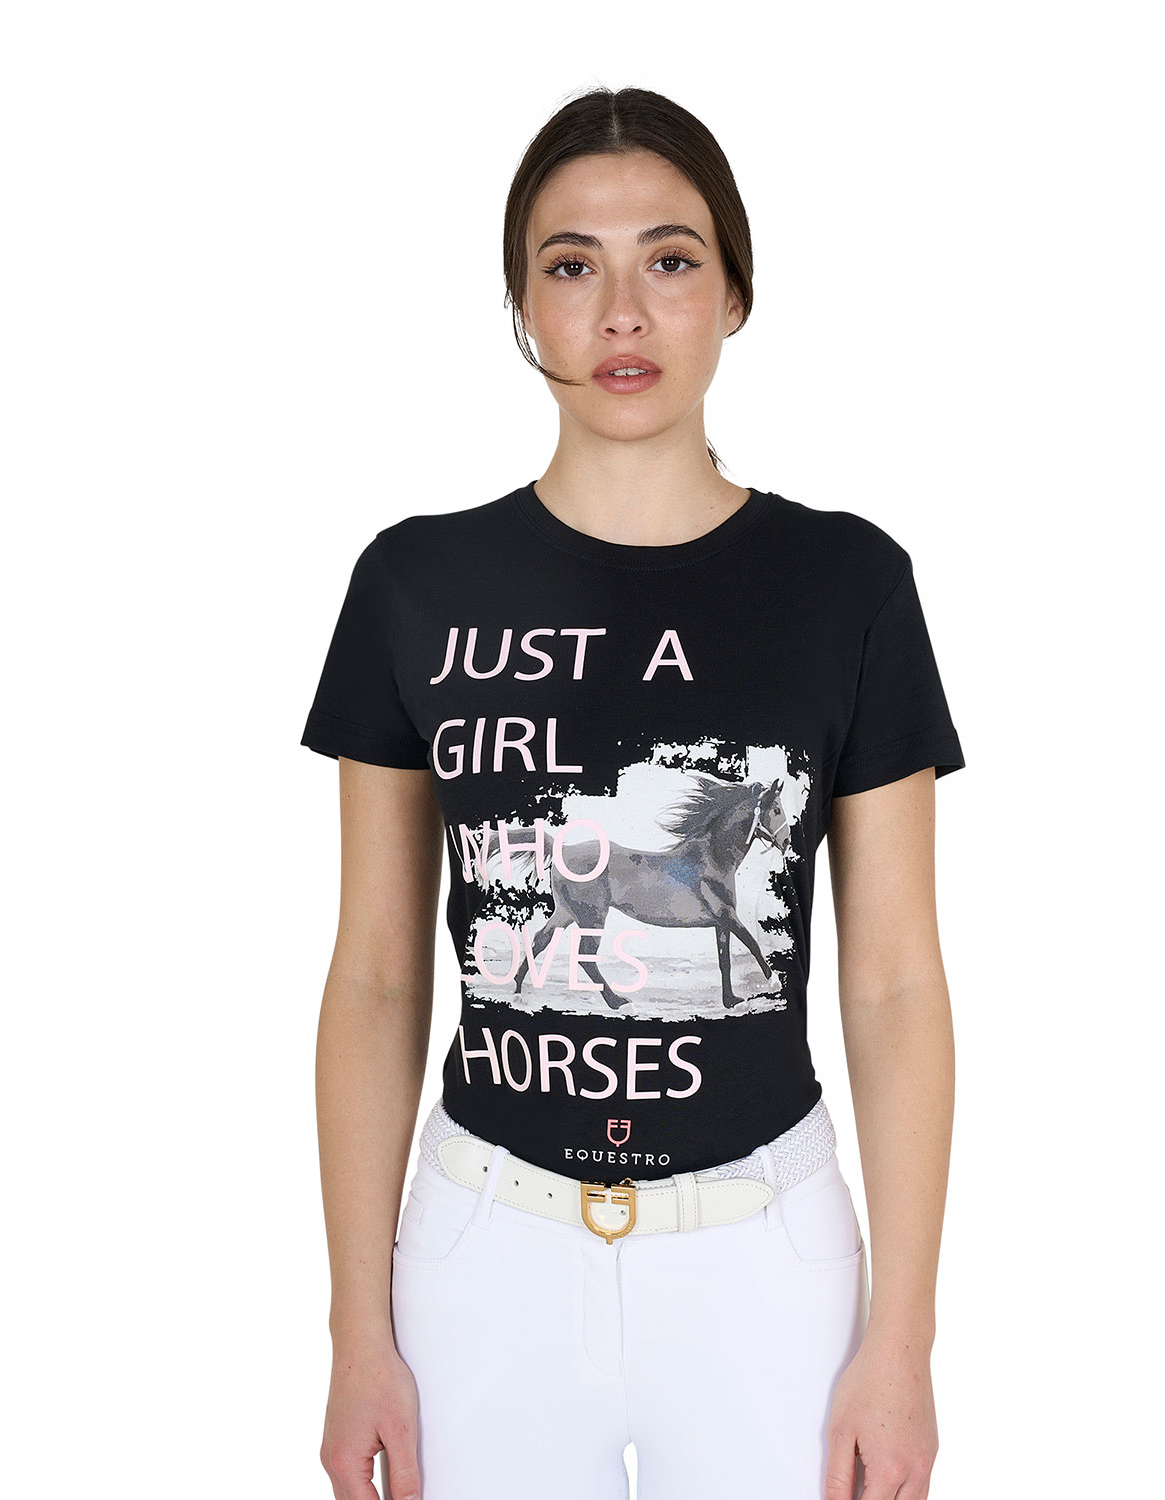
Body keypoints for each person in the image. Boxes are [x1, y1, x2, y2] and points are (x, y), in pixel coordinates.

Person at [302, 85, 964, 1500]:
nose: (621, 312)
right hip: (484, 1252)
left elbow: (898, 980)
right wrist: (360, 1326)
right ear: (521, 307)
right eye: (570, 265)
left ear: (734, 293)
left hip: (765, 1256)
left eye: (669, 259)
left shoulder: (847, 585)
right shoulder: (414, 584)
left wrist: (902, 1340)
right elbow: (374, 976)